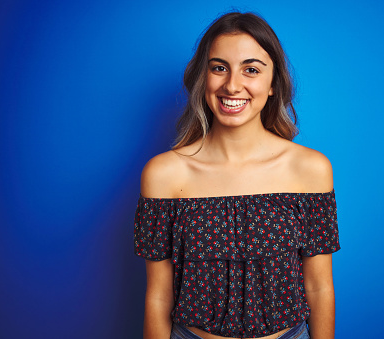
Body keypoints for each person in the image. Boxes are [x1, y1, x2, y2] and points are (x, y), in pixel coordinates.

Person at [134, 12, 340, 339]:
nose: (232, 85)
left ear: (273, 84)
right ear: (203, 78)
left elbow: (319, 287)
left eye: (251, 70)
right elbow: (159, 296)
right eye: (219, 68)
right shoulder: (163, 174)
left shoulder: (311, 169)